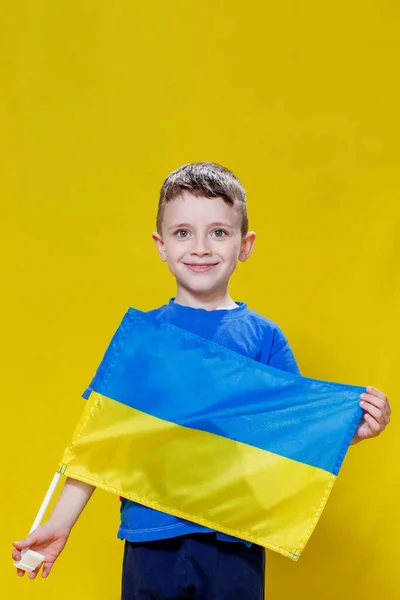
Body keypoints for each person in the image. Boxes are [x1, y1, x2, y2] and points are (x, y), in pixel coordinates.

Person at [12, 162, 391, 599]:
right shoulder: (144, 340)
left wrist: (352, 431)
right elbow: (102, 442)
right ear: (160, 244)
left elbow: (290, 433)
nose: (200, 248)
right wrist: (60, 524)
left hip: (232, 535)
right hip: (150, 533)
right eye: (182, 233)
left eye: (218, 232)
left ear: (244, 245)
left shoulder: (263, 337)